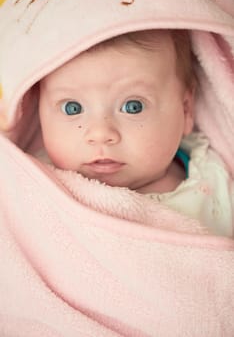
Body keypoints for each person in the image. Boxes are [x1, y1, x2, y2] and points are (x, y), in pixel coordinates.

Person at [36, 29, 233, 237]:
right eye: (72, 108)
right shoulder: (37, 187)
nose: (101, 133)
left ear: (185, 110)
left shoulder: (215, 174)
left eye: (133, 107)